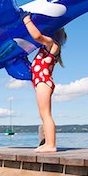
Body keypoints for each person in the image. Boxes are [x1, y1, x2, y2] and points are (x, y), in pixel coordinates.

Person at [22, 12, 66, 153]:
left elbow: (37, 36)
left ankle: (51, 145)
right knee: (44, 114)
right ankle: (48, 143)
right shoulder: (45, 49)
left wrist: (27, 20)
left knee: (46, 114)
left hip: (43, 82)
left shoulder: (52, 44)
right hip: (41, 82)